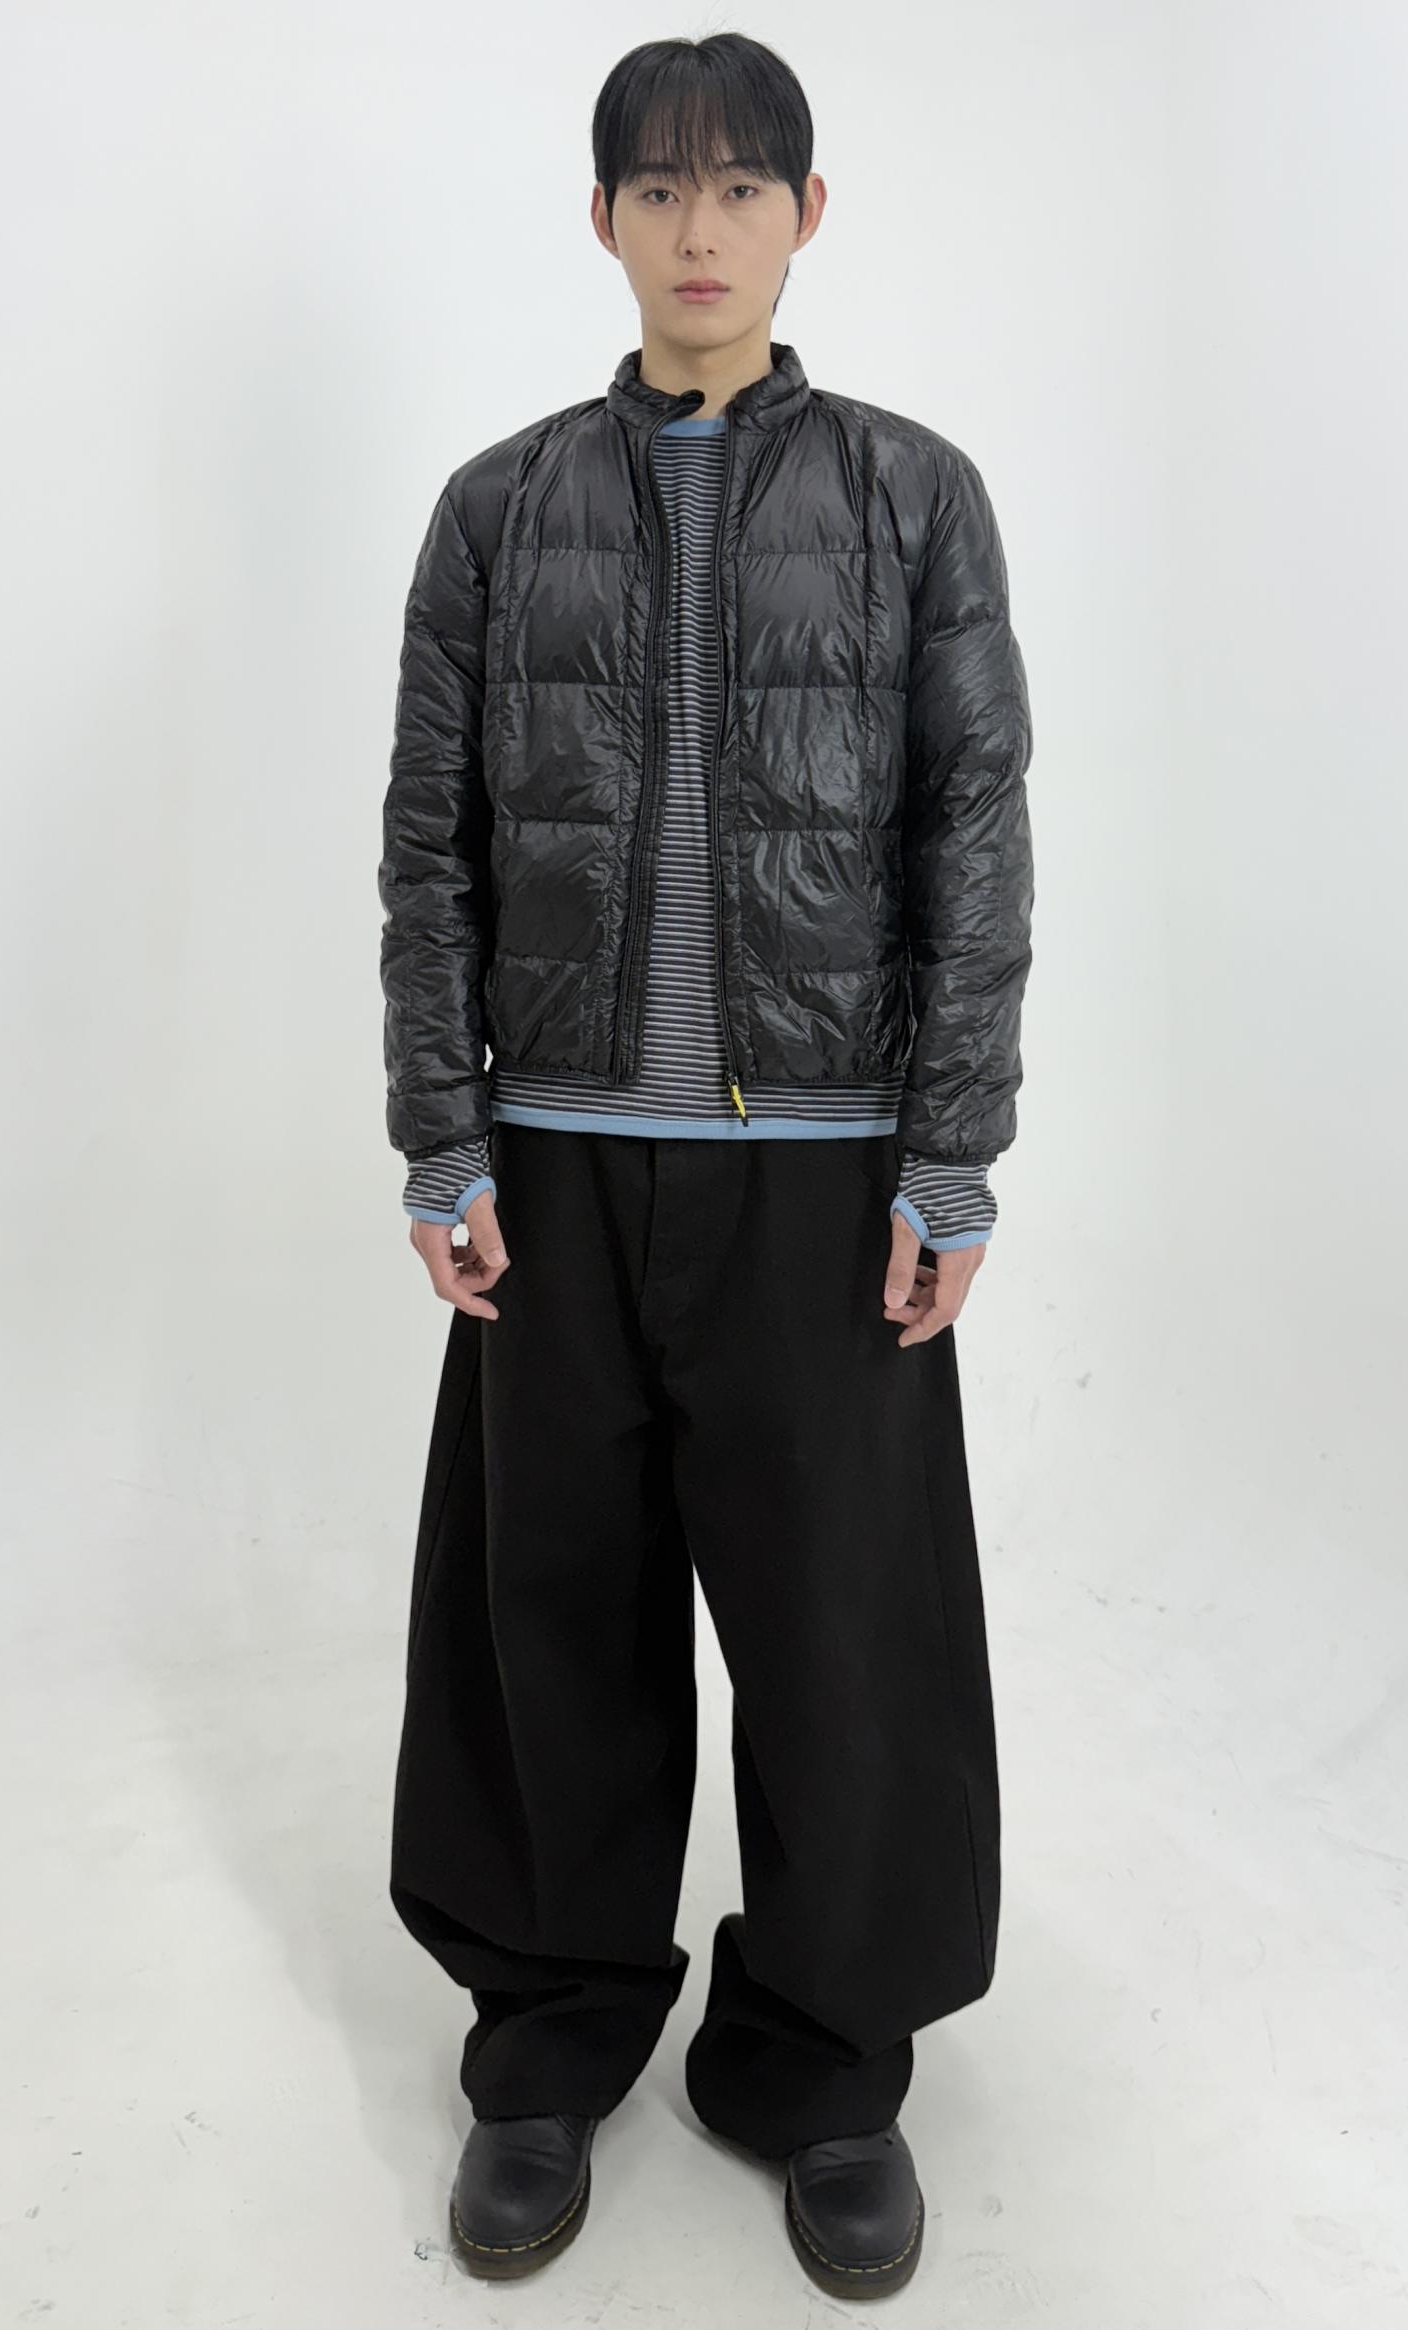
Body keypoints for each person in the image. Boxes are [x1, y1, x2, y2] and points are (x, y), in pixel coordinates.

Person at [376, 29, 1033, 2300]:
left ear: (807, 216)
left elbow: (974, 836)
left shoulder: (916, 497)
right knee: (548, 1617)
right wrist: (439, 1128)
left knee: (844, 1641)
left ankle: (824, 2070)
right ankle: (549, 2035)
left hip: (825, 1180)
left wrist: (951, 1155)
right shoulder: (496, 507)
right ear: (602, 220)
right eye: (657, 189)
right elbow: (429, 851)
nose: (699, 231)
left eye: (742, 187)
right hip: (554, 1168)